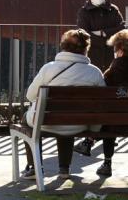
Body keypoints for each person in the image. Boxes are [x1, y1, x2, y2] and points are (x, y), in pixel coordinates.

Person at [73, 29, 128, 177]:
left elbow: (103, 96)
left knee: (110, 116)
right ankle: (89, 142)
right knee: (113, 114)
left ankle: (104, 159)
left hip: (116, 123)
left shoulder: (114, 71)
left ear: (119, 49)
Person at [21, 29, 106, 180]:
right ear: (86, 48)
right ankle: (64, 169)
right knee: (68, 120)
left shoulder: (49, 68)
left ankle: (35, 167)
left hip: (46, 122)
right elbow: (103, 101)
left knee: (26, 121)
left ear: (63, 46)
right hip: (79, 124)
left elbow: (30, 95)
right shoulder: (95, 72)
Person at [77, 0, 125, 72]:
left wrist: (102, 33)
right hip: (92, 56)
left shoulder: (113, 9)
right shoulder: (83, 12)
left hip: (112, 55)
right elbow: (84, 34)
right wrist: (109, 37)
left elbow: (121, 29)